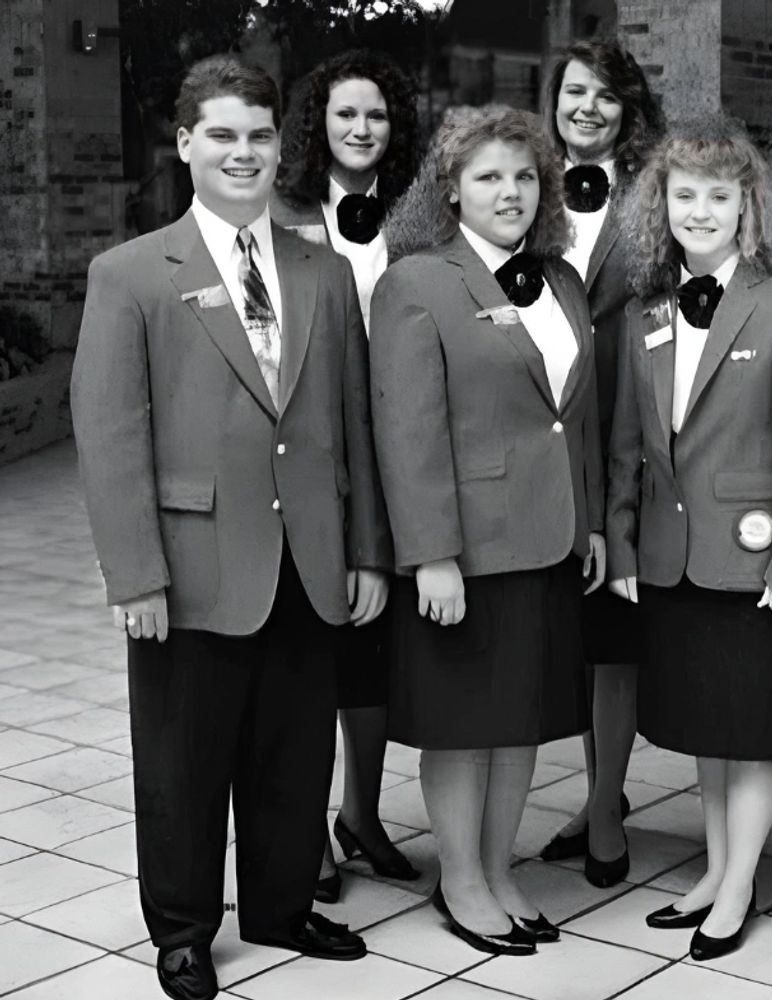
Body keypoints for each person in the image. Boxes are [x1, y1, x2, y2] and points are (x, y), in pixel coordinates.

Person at [70, 55, 391, 1000]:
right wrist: (135, 576)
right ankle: (182, 930)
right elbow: (111, 435)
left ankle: (283, 905)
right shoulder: (130, 274)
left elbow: (354, 423)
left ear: (278, 146)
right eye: (222, 135)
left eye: (258, 135)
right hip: (192, 563)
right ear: (185, 144)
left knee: (295, 747)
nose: (242, 152)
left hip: (310, 556)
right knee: (184, 758)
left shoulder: (325, 271)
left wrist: (367, 550)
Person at [369, 105, 605, 956]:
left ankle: (499, 870)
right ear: (451, 189)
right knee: (464, 725)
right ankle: (461, 881)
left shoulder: (561, 280)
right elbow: (407, 433)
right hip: (468, 551)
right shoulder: (417, 283)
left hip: (551, 539)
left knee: (520, 720)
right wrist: (431, 555)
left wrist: (592, 520)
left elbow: (573, 416)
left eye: (525, 177)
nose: (511, 192)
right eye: (489, 177)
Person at [605, 124, 772, 960]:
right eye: (684, 195)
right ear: (661, 205)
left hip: (755, 560)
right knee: (708, 727)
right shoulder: (645, 310)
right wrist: (622, 544)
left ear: (747, 207)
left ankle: (740, 886)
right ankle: (713, 869)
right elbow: (626, 444)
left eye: (718, 195)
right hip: (673, 558)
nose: (700, 211)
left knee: (753, 730)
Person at [272, 47, 422, 903]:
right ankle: (303, 828)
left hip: (399, 452)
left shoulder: (417, 214)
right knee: (310, 654)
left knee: (376, 654)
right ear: (317, 124)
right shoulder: (283, 212)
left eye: (377, 114)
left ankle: (361, 815)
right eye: (345, 114)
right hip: (315, 452)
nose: (362, 129)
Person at [536, 39, 664, 888]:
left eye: (606, 95)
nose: (587, 107)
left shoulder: (653, 193)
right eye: (575, 91)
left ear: (629, 110)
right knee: (577, 627)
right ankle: (594, 793)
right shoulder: (527, 183)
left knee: (615, 625)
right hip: (545, 426)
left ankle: (609, 807)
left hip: (627, 417)